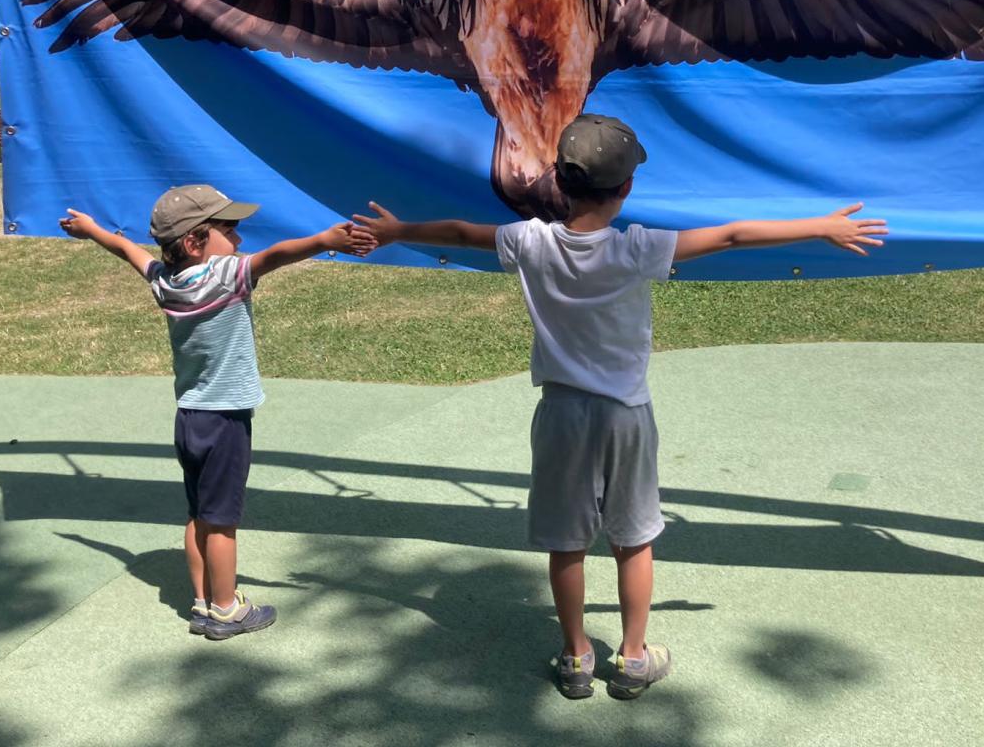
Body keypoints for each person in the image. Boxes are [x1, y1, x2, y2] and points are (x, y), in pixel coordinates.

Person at [353, 114, 888, 699]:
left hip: (560, 415)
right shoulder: (639, 250)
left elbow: (459, 232)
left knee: (567, 541)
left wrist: (397, 230)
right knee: (633, 538)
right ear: (626, 188)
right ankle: (633, 659)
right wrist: (822, 227)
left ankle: (576, 656)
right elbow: (733, 235)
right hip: (626, 416)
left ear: (558, 179)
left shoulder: (528, 241)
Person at [60, 185, 375, 640]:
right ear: (194, 241)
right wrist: (325, 240)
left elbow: (127, 249)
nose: (240, 240)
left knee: (199, 516)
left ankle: (204, 602)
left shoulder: (163, 281)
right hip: (225, 421)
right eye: (230, 230)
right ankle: (227, 611)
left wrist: (90, 230)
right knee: (223, 522)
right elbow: (279, 255)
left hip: (189, 419)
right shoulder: (227, 275)